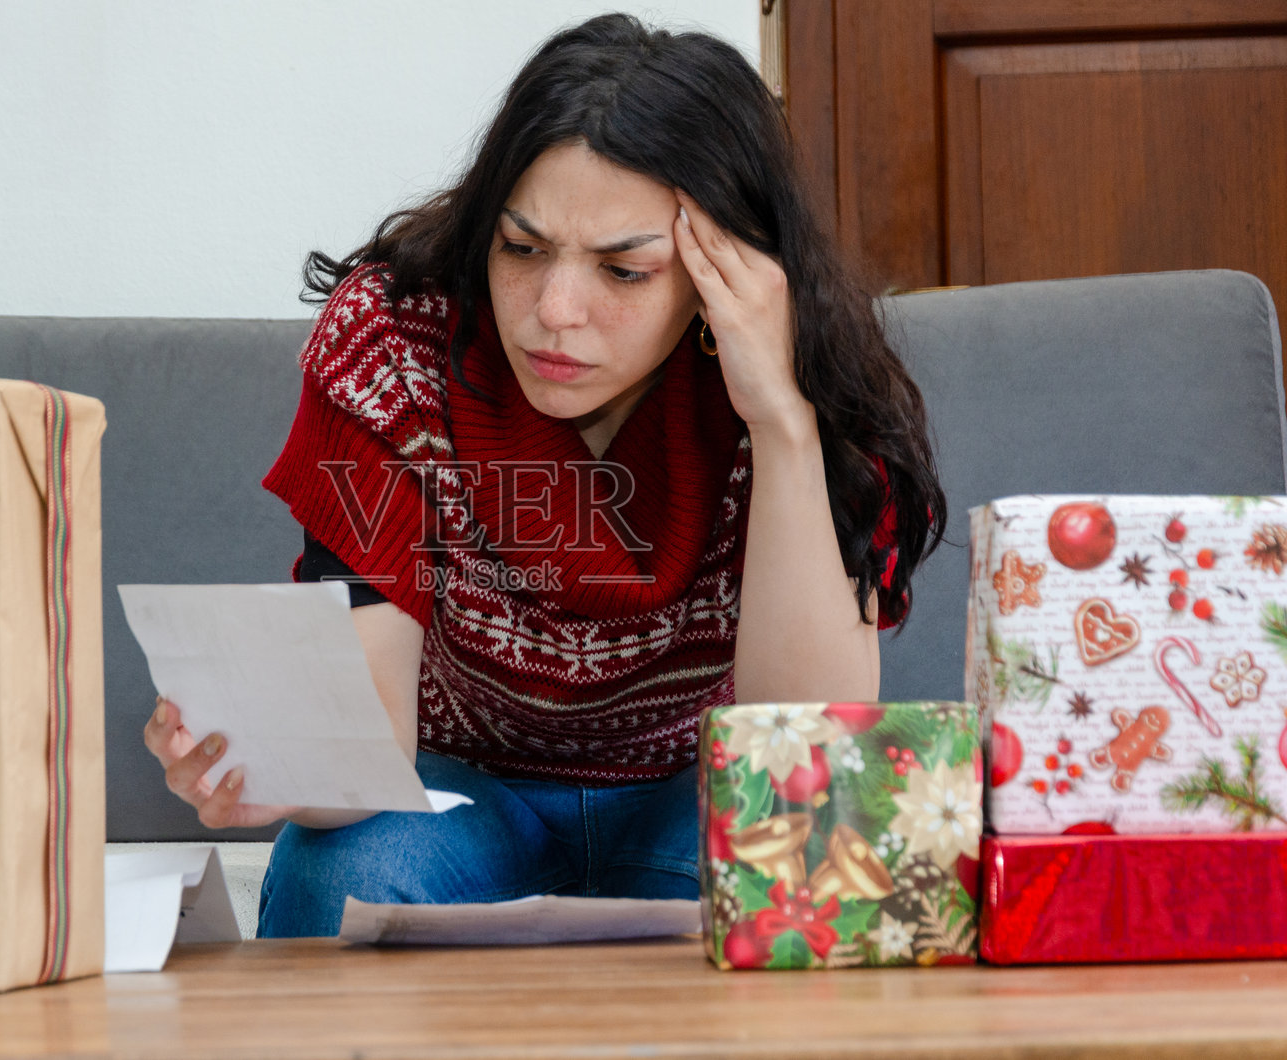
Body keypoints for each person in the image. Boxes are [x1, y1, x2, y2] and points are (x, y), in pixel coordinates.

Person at [144, 12, 945, 937]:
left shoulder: (802, 365)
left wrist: (780, 419)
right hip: (457, 794)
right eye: (522, 250)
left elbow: (810, 748)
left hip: (694, 790)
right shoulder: (397, 342)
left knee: (823, 869)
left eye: (624, 270)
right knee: (341, 874)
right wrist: (271, 774)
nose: (555, 312)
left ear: (718, 271)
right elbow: (369, 744)